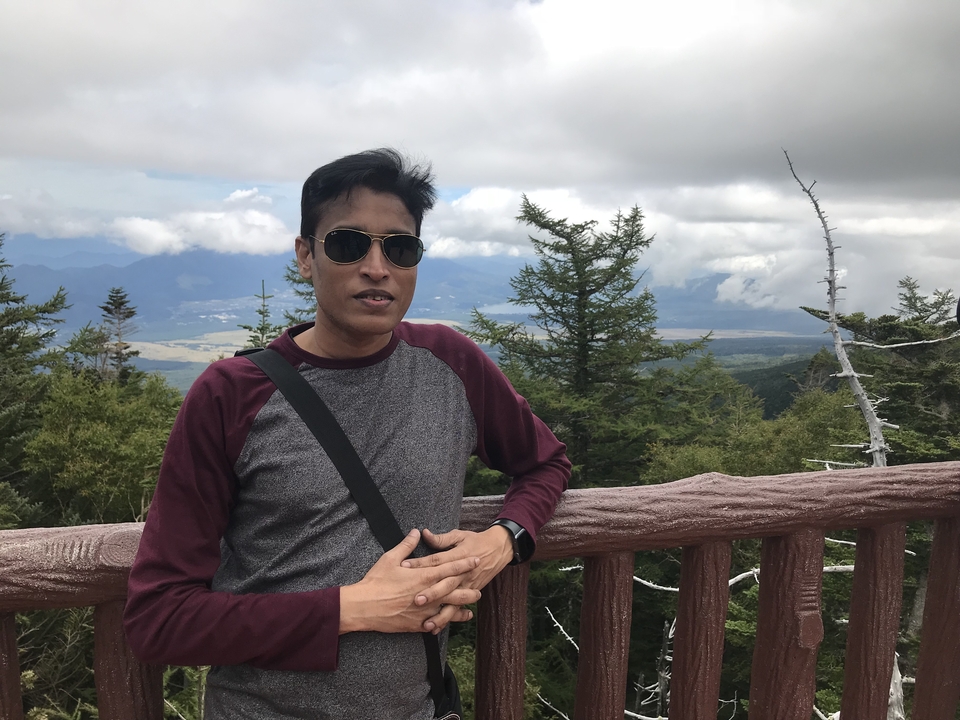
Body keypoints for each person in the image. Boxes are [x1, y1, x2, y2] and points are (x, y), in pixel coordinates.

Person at [124, 148, 570, 719]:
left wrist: (503, 540)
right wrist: (352, 608)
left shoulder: (451, 363)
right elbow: (159, 619)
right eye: (349, 244)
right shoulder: (230, 395)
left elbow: (545, 463)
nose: (377, 267)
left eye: (400, 247)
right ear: (306, 256)